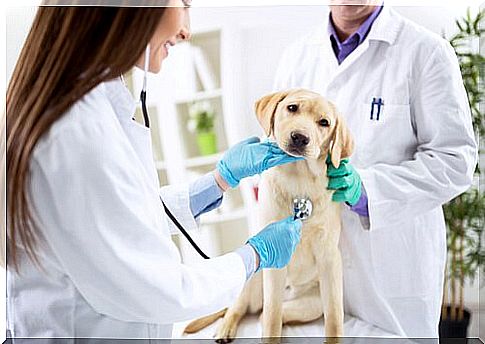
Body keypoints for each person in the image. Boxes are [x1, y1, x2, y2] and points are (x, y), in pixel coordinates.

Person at [5, 1, 304, 338]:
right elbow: (161, 289)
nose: (186, 30)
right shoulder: (75, 132)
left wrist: (218, 182)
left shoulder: (91, 101)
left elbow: (113, 219)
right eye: (184, 4)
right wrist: (254, 255)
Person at [273, 1, 478, 338]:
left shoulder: (426, 52)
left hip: (391, 276)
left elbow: (454, 161)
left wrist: (367, 191)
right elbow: (281, 148)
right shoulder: (297, 56)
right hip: (312, 277)